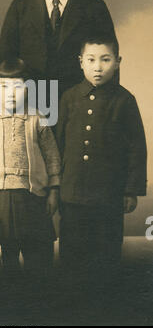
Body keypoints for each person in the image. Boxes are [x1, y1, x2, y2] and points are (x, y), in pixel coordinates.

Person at [55, 34, 147, 296]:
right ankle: (73, 303)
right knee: (72, 251)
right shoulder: (69, 98)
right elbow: (57, 143)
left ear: (117, 62)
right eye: (91, 60)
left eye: (105, 60)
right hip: (72, 193)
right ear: (80, 62)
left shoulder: (125, 101)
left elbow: (137, 149)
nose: (98, 66)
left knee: (106, 253)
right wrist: (55, 183)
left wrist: (130, 190)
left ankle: (104, 304)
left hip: (109, 194)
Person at [0, 58, 61, 279]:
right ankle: (11, 299)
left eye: (17, 86)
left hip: (34, 196)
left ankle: (37, 297)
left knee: (38, 253)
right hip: (2, 197)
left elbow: (52, 156)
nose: (10, 93)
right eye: (4, 87)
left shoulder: (38, 117)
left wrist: (54, 190)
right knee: (6, 251)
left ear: (28, 89)